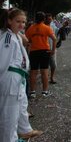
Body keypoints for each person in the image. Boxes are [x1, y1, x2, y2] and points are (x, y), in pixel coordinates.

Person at [0, 8, 43, 141]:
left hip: (18, 78)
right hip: (10, 78)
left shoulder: (16, 36)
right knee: (9, 113)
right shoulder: (8, 38)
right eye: (18, 21)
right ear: (9, 21)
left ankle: (24, 130)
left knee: (21, 106)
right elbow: (2, 63)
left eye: (23, 22)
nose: (21, 25)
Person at [26, 11, 56, 98]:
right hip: (44, 51)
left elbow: (26, 40)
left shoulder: (31, 28)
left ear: (35, 18)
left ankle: (32, 92)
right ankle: (45, 91)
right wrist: (53, 50)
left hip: (34, 51)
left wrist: (30, 44)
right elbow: (54, 39)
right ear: (44, 19)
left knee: (33, 72)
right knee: (44, 72)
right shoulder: (46, 28)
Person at [44, 13, 58, 84]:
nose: (49, 20)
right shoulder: (42, 26)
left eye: (50, 19)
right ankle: (45, 78)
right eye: (48, 19)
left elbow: (55, 36)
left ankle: (52, 77)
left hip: (52, 48)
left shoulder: (53, 26)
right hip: (44, 49)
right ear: (45, 19)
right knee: (44, 66)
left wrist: (54, 49)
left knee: (53, 65)